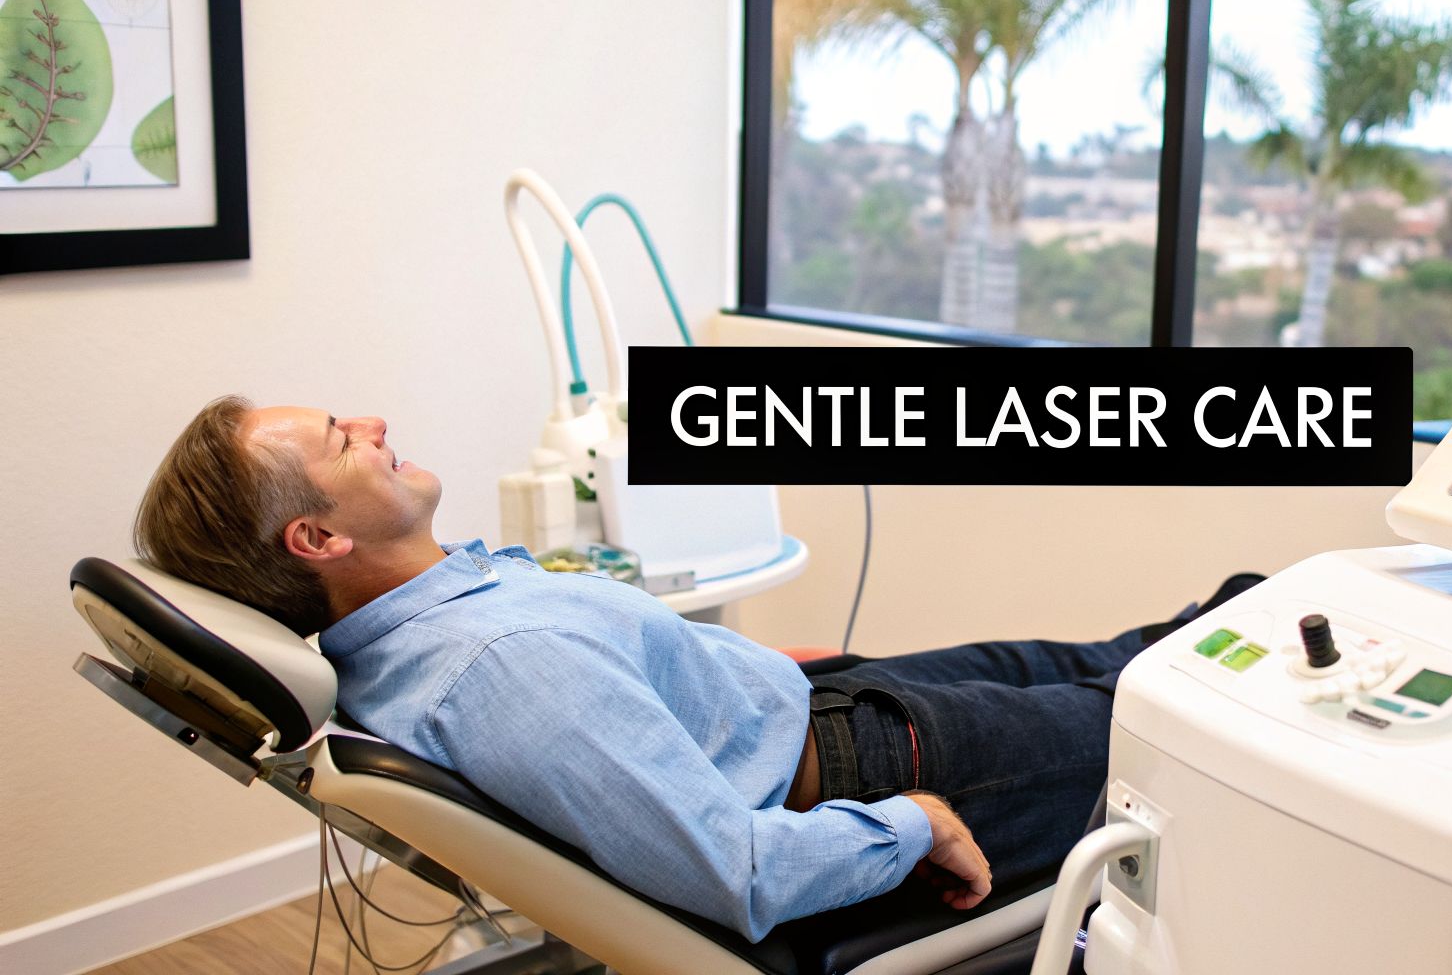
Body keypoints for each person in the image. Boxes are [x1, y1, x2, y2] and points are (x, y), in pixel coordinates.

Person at [134, 396, 1245, 942]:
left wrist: (728, 673)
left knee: (1127, 651)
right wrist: (911, 822)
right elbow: (733, 869)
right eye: (339, 437)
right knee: (1178, 726)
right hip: (864, 764)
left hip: (819, 702)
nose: (371, 420)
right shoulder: (503, 669)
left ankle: (1247, 609)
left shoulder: (437, 615)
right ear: (318, 542)